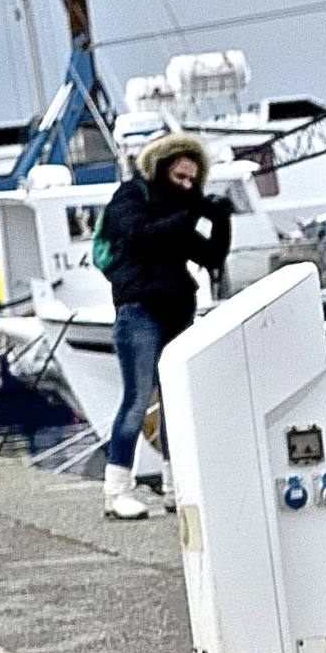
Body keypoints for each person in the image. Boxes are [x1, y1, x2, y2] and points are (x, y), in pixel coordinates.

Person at [97, 130, 230, 519]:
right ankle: (117, 490)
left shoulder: (179, 215)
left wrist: (220, 220)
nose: (187, 186)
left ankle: (176, 486)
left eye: (193, 180)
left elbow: (209, 256)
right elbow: (139, 237)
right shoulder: (132, 196)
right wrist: (190, 212)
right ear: (161, 170)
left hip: (177, 310)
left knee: (175, 400)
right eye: (179, 178)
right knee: (138, 399)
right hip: (139, 310)